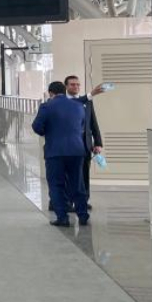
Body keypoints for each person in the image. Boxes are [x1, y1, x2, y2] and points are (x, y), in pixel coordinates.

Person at [32, 81, 89, 226]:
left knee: (56, 184)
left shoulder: (46, 106)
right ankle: (83, 215)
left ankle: (63, 217)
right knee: (78, 183)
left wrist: (48, 132)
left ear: (51, 93)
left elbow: (37, 127)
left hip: (55, 151)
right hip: (77, 150)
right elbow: (82, 126)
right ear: (64, 91)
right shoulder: (78, 106)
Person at [65, 76, 105, 207]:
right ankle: (69, 200)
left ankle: (83, 201)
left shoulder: (88, 102)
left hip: (85, 143)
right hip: (69, 145)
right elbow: (74, 104)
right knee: (69, 174)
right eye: (72, 85)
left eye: (78, 85)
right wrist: (91, 94)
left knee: (84, 173)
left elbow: (93, 122)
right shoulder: (64, 102)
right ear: (66, 86)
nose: (76, 87)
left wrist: (98, 143)